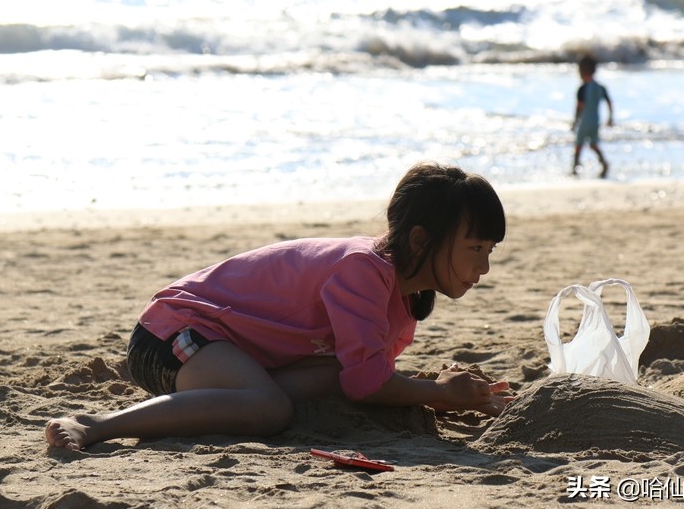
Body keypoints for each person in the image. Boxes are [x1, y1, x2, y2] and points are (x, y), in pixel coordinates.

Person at [45, 163, 514, 451]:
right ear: (420, 240)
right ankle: (96, 425)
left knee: (334, 378)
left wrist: (443, 394)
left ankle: (236, 395)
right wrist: (438, 391)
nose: (485, 267)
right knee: (268, 410)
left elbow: (362, 377)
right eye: (476, 249)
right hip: (174, 333)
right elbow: (370, 384)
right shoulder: (364, 270)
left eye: (489, 251)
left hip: (229, 353)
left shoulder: (402, 299)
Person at [571, 55, 614, 178]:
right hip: (596, 121)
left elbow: (579, 107)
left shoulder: (582, 88)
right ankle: (604, 163)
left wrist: (575, 122)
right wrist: (610, 117)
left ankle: (575, 168)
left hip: (585, 122)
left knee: (578, 145)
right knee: (593, 144)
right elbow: (609, 102)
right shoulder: (600, 87)